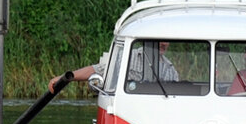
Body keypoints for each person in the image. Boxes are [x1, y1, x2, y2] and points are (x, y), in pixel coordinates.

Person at [50, 40, 178, 94]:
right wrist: (65, 78)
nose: (164, 44)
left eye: (167, 40)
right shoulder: (127, 56)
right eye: (161, 40)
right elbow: (97, 69)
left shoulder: (171, 71)